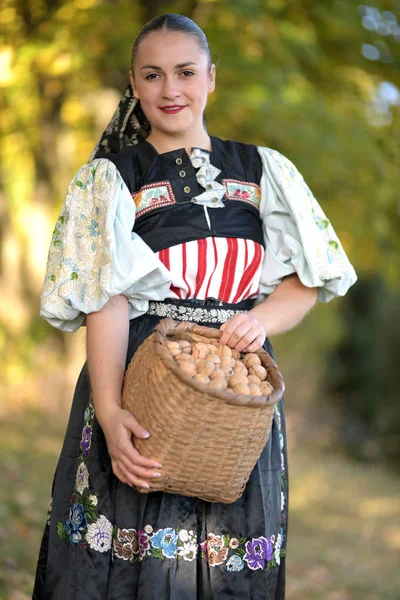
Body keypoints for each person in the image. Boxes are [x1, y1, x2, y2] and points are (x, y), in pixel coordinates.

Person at [32, 13, 357, 600]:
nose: (169, 90)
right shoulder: (111, 179)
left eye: (185, 72)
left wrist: (261, 319)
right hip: (142, 375)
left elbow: (306, 281)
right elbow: (107, 300)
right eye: (152, 75)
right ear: (134, 83)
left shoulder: (263, 172)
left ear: (212, 77)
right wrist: (108, 411)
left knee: (230, 547)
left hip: (239, 382)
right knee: (129, 533)